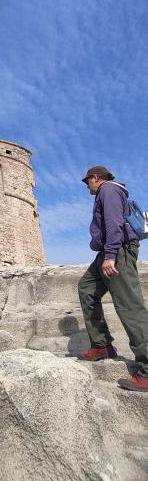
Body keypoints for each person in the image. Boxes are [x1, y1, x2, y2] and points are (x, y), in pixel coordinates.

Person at [78, 165, 148, 392]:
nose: (86, 185)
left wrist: (110, 256)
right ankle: (102, 345)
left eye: (87, 181)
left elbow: (114, 223)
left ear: (95, 178)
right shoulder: (105, 192)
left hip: (116, 252)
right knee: (86, 288)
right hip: (107, 252)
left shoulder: (108, 190)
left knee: (129, 305)